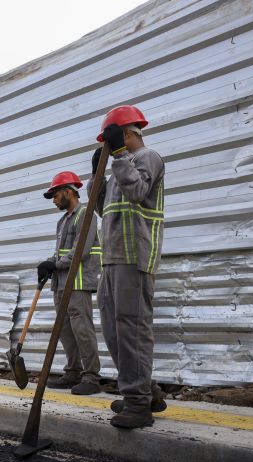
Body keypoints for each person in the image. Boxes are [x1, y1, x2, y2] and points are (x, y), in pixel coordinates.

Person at [88, 105, 167, 429]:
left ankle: (137, 405)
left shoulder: (148, 157)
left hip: (134, 257)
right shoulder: (118, 168)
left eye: (113, 141)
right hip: (112, 259)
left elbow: (137, 192)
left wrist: (118, 155)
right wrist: (97, 177)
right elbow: (103, 210)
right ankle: (146, 392)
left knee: (131, 330)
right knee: (115, 332)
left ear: (127, 134)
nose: (109, 148)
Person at [37, 171, 102, 395]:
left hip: (78, 282)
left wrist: (57, 265)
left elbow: (80, 251)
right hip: (61, 284)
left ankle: (91, 377)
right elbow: (61, 253)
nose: (54, 200)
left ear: (68, 192)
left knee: (82, 330)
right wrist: (49, 263)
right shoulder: (63, 221)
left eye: (55, 195)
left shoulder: (86, 214)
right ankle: (73, 372)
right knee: (65, 331)